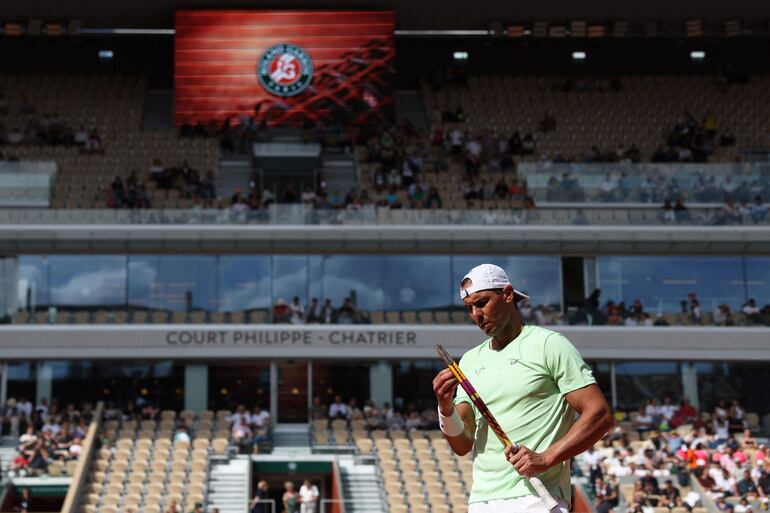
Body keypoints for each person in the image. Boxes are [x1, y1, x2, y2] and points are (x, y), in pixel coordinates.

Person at [432, 263, 613, 513]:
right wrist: (444, 407)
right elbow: (462, 445)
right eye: (469, 308)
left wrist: (546, 458)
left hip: (538, 500)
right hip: (482, 501)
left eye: (482, 303)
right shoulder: (470, 361)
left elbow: (600, 414)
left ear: (507, 294)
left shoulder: (549, 344)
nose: (476, 315)